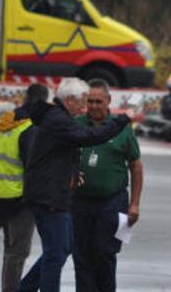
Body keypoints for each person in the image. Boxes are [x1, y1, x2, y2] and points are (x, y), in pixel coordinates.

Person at [18, 78, 131, 292]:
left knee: (63, 247)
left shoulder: (58, 117)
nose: (85, 107)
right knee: (56, 254)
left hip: (53, 195)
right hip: (49, 198)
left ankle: (25, 288)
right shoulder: (58, 120)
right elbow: (89, 136)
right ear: (69, 100)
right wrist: (123, 119)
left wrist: (72, 172)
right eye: (83, 101)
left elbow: (58, 154)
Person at [72, 79, 144, 292]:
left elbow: (136, 167)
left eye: (98, 102)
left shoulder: (122, 128)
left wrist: (135, 204)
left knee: (104, 252)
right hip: (79, 202)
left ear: (109, 101)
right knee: (81, 255)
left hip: (112, 202)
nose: (93, 106)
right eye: (90, 101)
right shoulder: (76, 125)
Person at [0, 83, 49, 292]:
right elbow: (34, 166)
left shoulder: (6, 124)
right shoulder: (28, 129)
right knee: (18, 252)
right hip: (20, 199)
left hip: (0, 195)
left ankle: (7, 289)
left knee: (10, 251)